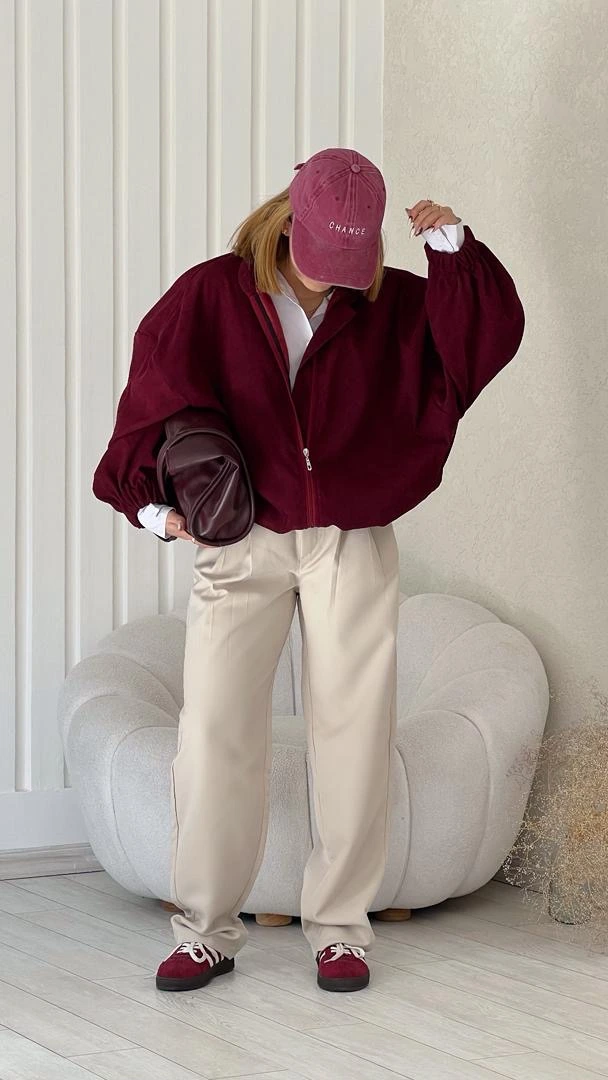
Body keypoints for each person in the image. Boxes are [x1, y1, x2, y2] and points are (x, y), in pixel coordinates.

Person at [92, 146, 525, 994]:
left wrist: (456, 251)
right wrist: (147, 506)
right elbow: (151, 396)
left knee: (355, 733)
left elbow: (479, 347)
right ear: (290, 221)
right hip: (241, 539)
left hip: (350, 538)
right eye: (322, 256)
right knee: (214, 732)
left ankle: (340, 929)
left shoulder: (392, 302)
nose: (335, 279)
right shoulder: (212, 294)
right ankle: (206, 930)